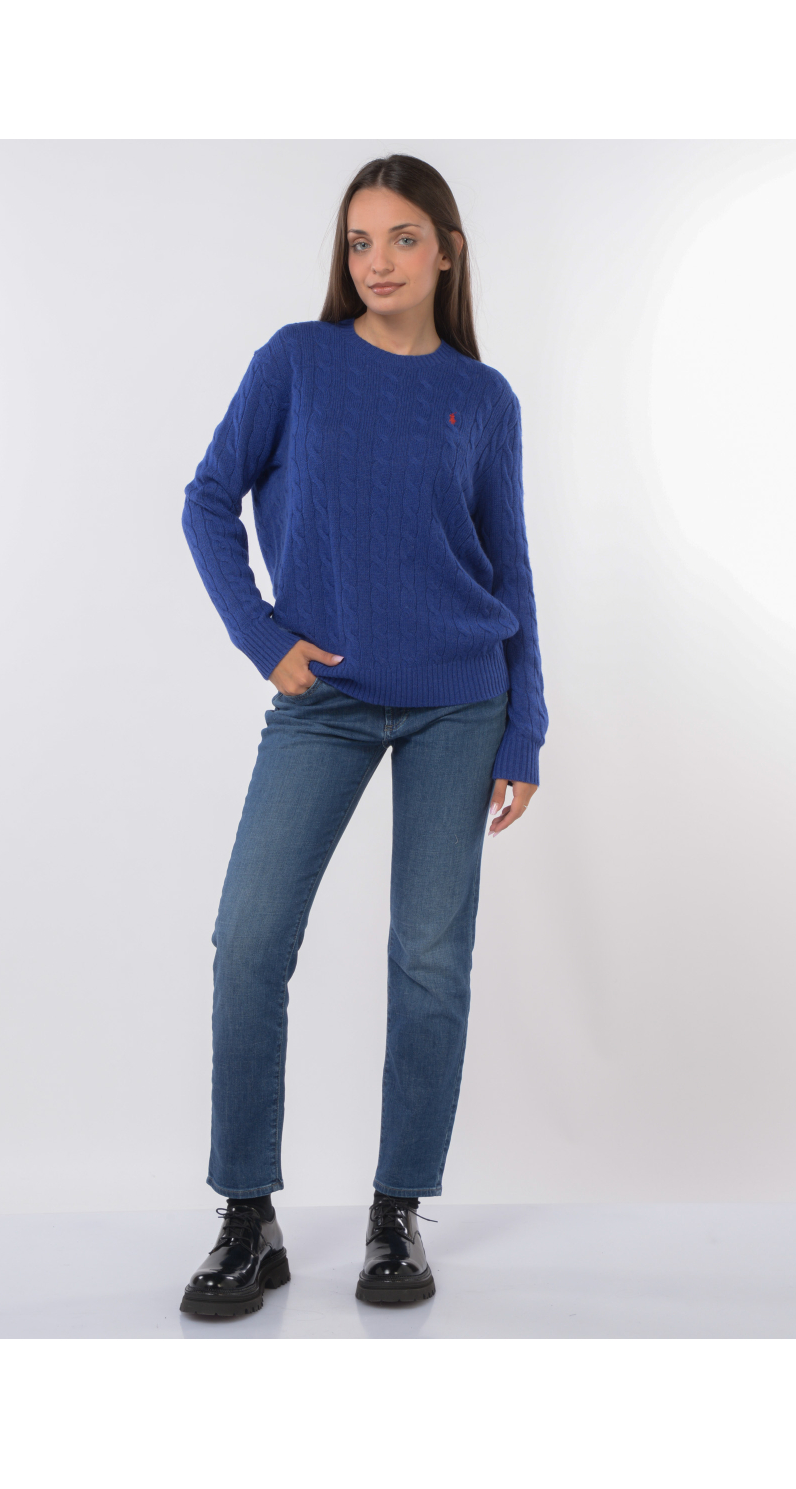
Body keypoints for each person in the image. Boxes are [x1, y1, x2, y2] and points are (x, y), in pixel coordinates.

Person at [178, 153, 548, 1318]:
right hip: (325, 699)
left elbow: (511, 569)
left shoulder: (484, 398)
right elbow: (206, 498)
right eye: (358, 241)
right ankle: (248, 1218)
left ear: (447, 251)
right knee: (249, 941)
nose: (377, 262)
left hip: (459, 699)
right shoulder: (297, 360)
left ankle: (398, 1214)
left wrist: (525, 727)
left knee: (430, 957)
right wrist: (263, 637)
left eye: (401, 238)